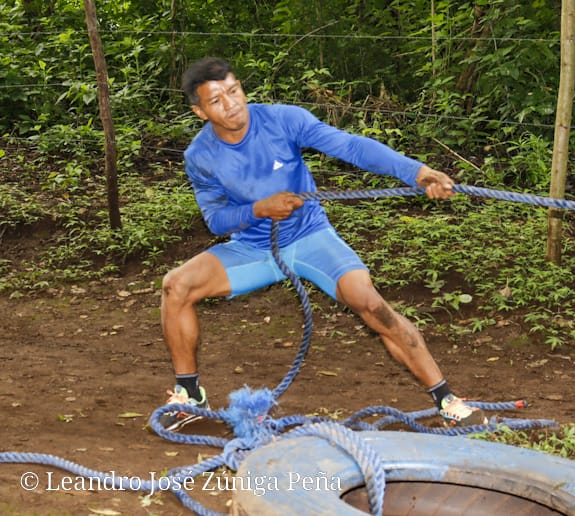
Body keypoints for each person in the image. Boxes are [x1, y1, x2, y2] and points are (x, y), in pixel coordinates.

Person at [158, 57, 487, 431]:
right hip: (253, 247)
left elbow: (350, 146)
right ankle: (189, 396)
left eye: (234, 91)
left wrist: (417, 172)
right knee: (176, 286)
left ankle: (447, 401)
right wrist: (260, 209)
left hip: (310, 235)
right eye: (217, 100)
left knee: (369, 301)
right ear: (200, 112)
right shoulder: (200, 156)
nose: (232, 104)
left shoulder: (283, 119)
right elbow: (216, 219)